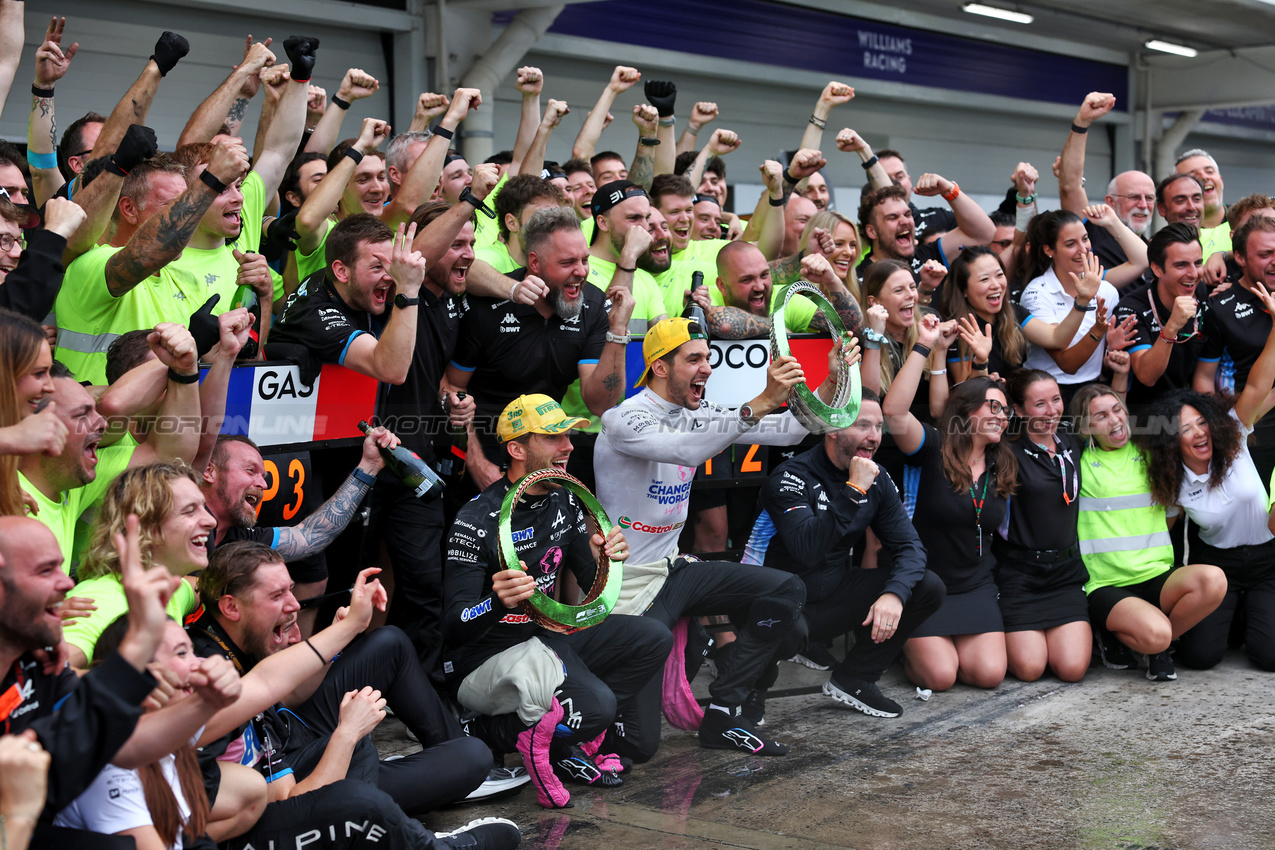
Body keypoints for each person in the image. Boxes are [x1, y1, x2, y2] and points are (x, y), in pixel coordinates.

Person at [594, 318, 840, 759]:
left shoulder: (698, 411)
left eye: (708, 358)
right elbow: (688, 449)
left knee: (786, 596)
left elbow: (792, 431)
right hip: (627, 586)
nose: (707, 368)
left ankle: (725, 711)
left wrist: (833, 382)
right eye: (694, 359)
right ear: (661, 367)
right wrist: (759, 402)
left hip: (674, 572)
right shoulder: (623, 419)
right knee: (641, 746)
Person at [443, 394, 670, 808]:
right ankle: (482, 730)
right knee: (597, 708)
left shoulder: (563, 497)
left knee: (653, 637)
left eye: (568, 435)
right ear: (517, 449)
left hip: (547, 637)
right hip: (487, 655)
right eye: (553, 437)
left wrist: (607, 560)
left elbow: (590, 582)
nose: (567, 446)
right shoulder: (475, 519)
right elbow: (453, 625)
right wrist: (497, 601)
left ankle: (567, 736)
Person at [190, 544, 499, 824]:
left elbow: (289, 695)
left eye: (290, 590)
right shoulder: (209, 673)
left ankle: (426, 765)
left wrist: (335, 639)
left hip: (294, 731)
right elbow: (291, 804)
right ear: (231, 607)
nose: (294, 605)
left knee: (389, 642)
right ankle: (389, 789)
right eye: (276, 595)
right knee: (473, 757)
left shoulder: (233, 635)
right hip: (301, 779)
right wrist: (347, 734)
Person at [750, 389, 945, 717]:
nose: (874, 437)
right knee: (786, 627)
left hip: (832, 598)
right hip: (778, 601)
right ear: (833, 428)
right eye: (863, 426)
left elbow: (910, 547)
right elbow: (806, 549)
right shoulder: (792, 476)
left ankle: (856, 678)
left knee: (927, 586)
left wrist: (895, 596)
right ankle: (752, 685)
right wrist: (853, 490)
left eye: (879, 427)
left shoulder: (877, 478)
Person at [1136, 283, 1275, 671]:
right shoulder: (1171, 483)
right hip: (1217, 565)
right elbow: (1162, 542)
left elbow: (1261, 384)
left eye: (1201, 423)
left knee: (1270, 656)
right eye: (1185, 429)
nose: (1199, 433)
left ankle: (1252, 620)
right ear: (1171, 442)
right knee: (1200, 657)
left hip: (1268, 561)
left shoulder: (1234, 434)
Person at [445, 207, 635, 489]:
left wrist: (617, 332)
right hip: (483, 448)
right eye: (568, 262)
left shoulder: (593, 306)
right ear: (535, 262)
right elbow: (452, 387)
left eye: (585, 260)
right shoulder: (490, 304)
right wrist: (477, 462)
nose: (581, 271)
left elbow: (600, 402)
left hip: (546, 454)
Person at [883, 314, 1013, 691]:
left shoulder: (1001, 461)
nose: (999, 416)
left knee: (988, 675)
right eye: (991, 407)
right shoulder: (932, 446)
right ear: (965, 411)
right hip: (924, 583)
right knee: (941, 676)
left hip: (976, 585)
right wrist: (925, 346)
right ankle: (902, 649)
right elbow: (893, 413)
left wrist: (983, 363)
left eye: (1004, 410)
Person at [18, 324, 202, 576]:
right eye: (82, 414)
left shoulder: (70, 485)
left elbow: (170, 457)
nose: (102, 423)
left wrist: (185, 371)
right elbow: (115, 403)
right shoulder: (10, 497)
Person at [1072, 384, 1228, 681]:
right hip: (1108, 584)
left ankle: (1153, 641)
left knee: (1214, 580)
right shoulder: (1078, 461)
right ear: (1085, 426)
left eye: (1118, 410)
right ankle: (1152, 644)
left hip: (1157, 574)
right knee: (1158, 635)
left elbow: (1171, 510)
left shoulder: (1150, 451)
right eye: (1101, 416)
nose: (1115, 420)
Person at [202, 428, 399, 636]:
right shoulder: (175, 520)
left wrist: (369, 467)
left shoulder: (241, 536)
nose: (263, 484)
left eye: (264, 476)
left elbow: (309, 536)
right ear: (208, 471)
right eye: (250, 471)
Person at [996, 369, 1104, 683]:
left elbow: (1113, 417)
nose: (1052, 410)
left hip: (1065, 575)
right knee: (1030, 669)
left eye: (1056, 400)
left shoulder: (1072, 438)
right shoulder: (1006, 450)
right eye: (1039, 404)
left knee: (1071, 670)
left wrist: (1121, 376)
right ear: (1018, 409)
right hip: (1020, 574)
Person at [63, 462, 216, 669]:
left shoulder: (172, 589)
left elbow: (201, 588)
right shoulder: (99, 602)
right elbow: (47, 682)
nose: (210, 521)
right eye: (190, 511)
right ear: (146, 527)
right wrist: (136, 681)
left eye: (203, 508)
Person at [1018, 209, 1138, 407]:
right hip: (1046, 393)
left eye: (1085, 239)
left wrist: (1112, 350)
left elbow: (1143, 260)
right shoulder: (1037, 292)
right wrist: (1097, 330)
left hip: (1093, 389)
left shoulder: (1106, 289)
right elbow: (1068, 364)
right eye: (1070, 244)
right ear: (1049, 250)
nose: (1083, 249)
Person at [940, 246, 1106, 384]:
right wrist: (983, 375)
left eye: (999, 275)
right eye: (984, 279)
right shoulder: (957, 330)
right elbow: (964, 390)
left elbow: (1057, 339)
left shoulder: (1013, 311)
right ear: (964, 291)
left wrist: (1083, 300)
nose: (996, 285)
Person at [1195, 214, 1275, 484]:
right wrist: (1220, 429)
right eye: (1265, 254)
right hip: (1252, 434)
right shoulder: (1221, 307)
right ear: (1239, 258)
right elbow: (1205, 376)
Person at [1113, 223, 1209, 416]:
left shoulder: (1200, 290)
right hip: (1147, 417)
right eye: (1181, 265)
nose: (1193, 273)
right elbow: (1147, 376)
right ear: (1157, 269)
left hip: (1190, 410)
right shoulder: (1132, 308)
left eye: (1197, 263)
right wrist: (1172, 326)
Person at [1057, 92, 1156, 269]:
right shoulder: (1092, 232)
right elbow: (1071, 185)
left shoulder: (1153, 249)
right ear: (1110, 202)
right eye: (1134, 197)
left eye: (1149, 198)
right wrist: (1082, 123)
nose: (1143, 204)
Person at [1175, 149, 1230, 260]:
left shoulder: (1248, 221)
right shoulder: (1170, 239)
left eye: (1209, 171)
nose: (1204, 177)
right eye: (1193, 175)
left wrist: (1223, 255)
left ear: (1221, 181)